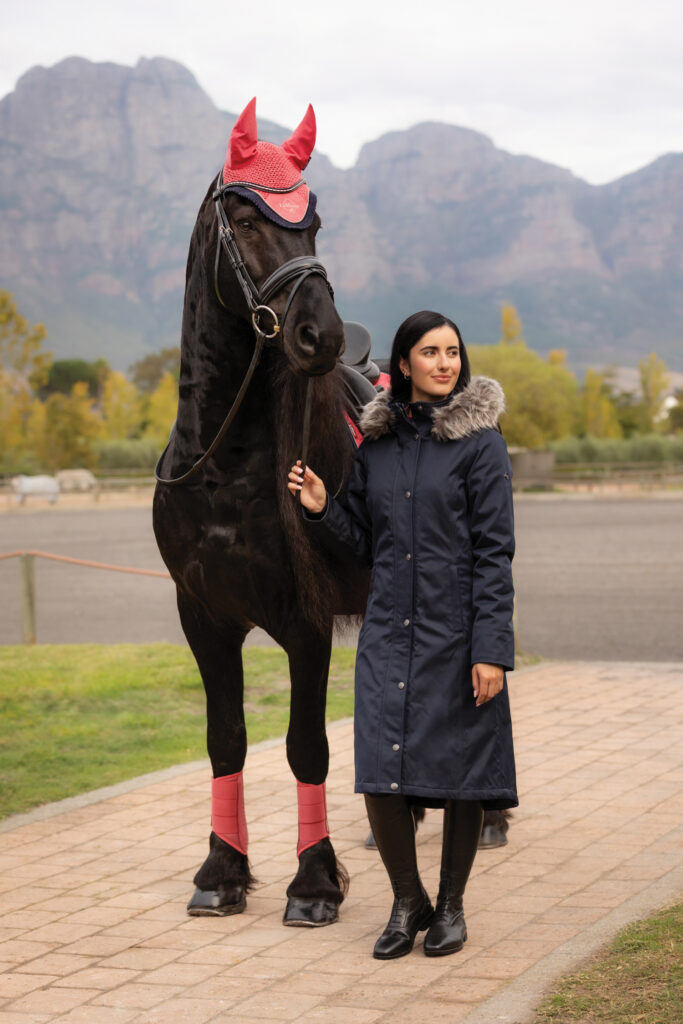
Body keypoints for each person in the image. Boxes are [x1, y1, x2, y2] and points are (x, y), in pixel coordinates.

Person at [288, 310, 517, 959]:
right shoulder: (378, 447)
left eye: (452, 352)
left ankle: (450, 906)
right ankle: (406, 901)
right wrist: (322, 508)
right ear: (405, 362)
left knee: (462, 772)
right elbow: (366, 544)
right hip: (388, 631)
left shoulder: (481, 446)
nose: (444, 363)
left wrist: (490, 650)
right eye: (430, 352)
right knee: (379, 769)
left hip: (457, 633)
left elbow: (494, 554)